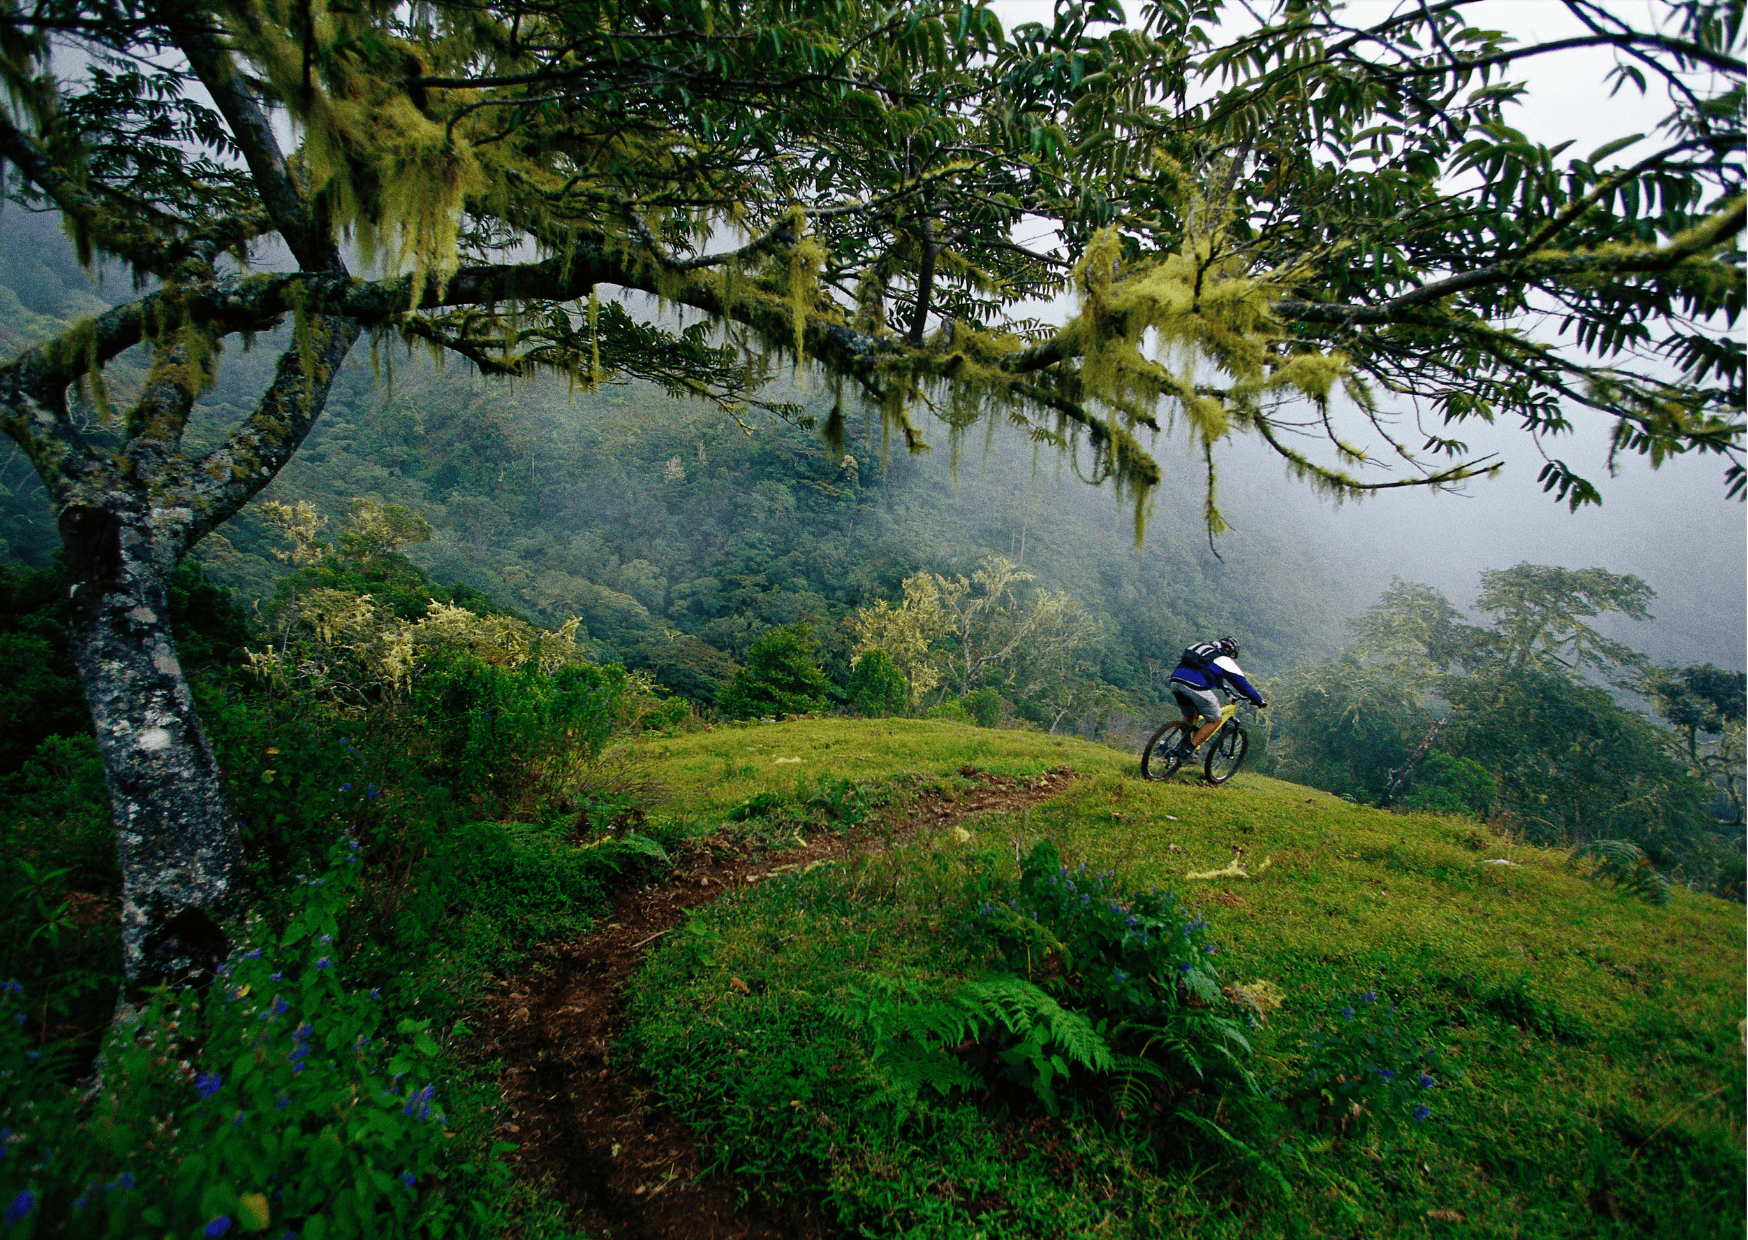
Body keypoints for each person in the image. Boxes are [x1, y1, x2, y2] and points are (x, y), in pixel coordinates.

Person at [1168, 636, 1266, 759]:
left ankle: (1181, 745)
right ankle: (1187, 750)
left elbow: (1205, 670)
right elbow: (1243, 686)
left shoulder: (1204, 651)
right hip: (1194, 685)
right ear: (1232, 652)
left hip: (1176, 681)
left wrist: (1219, 684)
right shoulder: (1224, 660)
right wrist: (1259, 701)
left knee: (1190, 715)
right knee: (1215, 719)